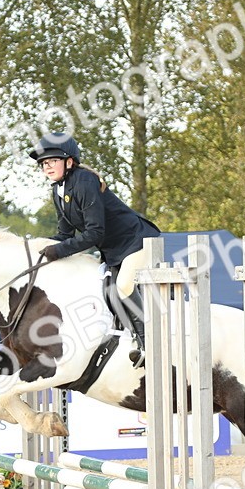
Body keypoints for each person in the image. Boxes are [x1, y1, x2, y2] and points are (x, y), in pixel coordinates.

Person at [30, 132, 160, 366]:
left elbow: (94, 233)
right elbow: (64, 234)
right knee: (107, 292)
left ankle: (149, 344)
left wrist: (58, 251)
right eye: (43, 163)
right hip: (114, 251)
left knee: (122, 287)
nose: (46, 167)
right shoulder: (58, 190)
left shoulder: (84, 181)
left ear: (69, 162)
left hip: (137, 241)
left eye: (52, 161)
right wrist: (38, 247)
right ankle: (130, 341)